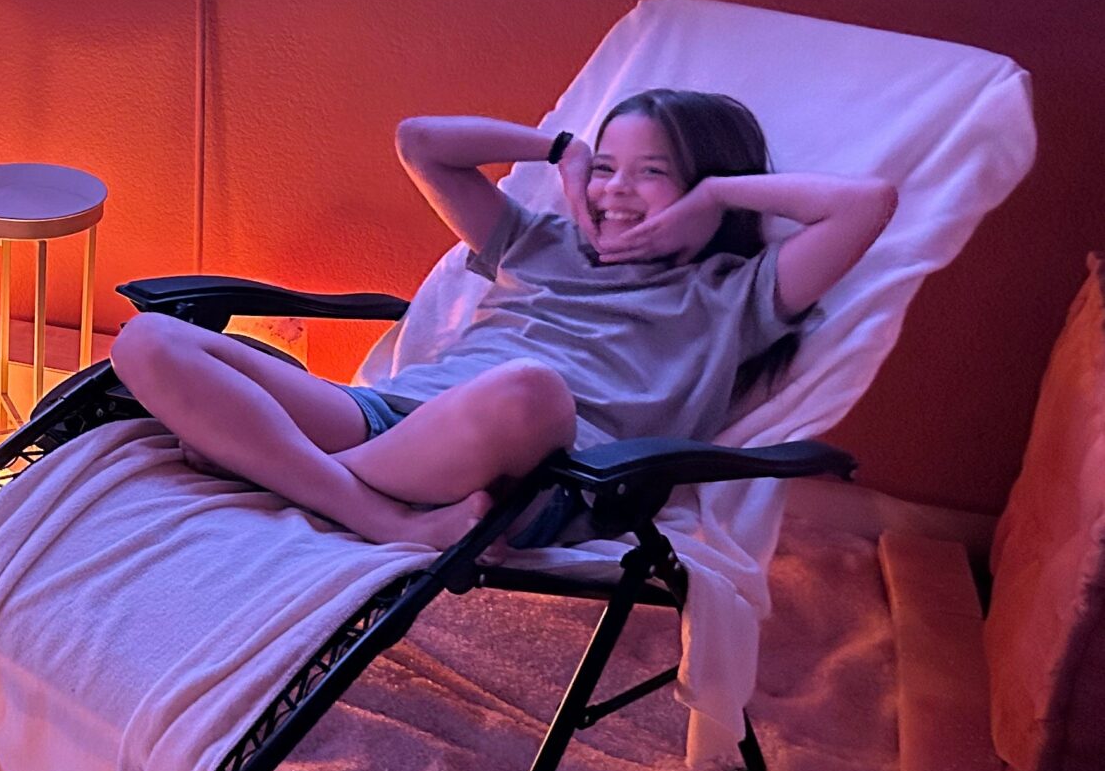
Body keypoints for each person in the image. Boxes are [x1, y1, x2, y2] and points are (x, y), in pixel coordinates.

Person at [110, 90, 898, 547]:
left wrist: (725, 195)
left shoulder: (736, 293)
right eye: (607, 168)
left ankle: (259, 454)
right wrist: (559, 147)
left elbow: (869, 205)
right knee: (148, 339)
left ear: (709, 186)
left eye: (652, 174)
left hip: (545, 470)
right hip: (391, 422)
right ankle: (365, 510)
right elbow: (418, 142)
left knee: (531, 388)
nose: (614, 190)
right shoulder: (540, 237)